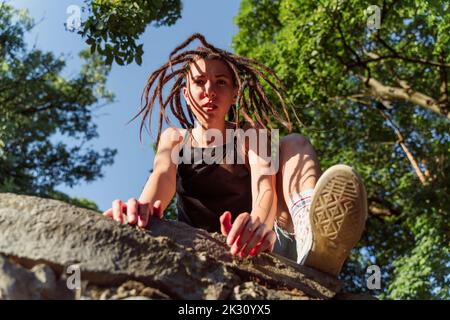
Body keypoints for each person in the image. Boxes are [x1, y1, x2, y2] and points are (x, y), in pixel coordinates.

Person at [103, 33, 367, 277]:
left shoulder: (251, 134)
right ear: (186, 93)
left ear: (234, 94)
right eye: (199, 82)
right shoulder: (174, 138)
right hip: (199, 244)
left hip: (264, 241)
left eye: (221, 82)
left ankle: (315, 240)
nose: (209, 91)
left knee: (293, 143)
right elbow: (162, 177)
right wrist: (140, 210)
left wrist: (258, 225)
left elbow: (265, 187)